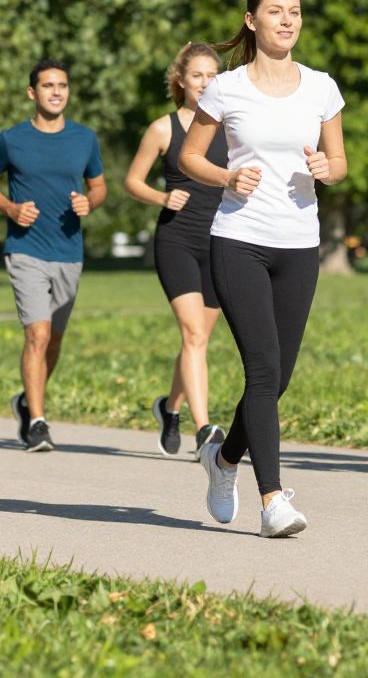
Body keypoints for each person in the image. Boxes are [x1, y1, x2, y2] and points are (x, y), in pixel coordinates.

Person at [180, 0, 347, 539]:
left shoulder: (322, 87)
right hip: (239, 239)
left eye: (295, 12)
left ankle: (223, 461)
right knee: (263, 367)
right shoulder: (226, 88)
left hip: (300, 244)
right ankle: (273, 499)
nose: (287, 20)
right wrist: (227, 175)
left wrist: (328, 169)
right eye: (275, 12)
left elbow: (340, 161)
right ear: (252, 21)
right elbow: (189, 157)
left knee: (277, 380)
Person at [0, 59, 107, 452]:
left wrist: (91, 203)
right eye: (48, 85)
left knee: (53, 339)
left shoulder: (84, 138)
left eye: (63, 85)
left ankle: (26, 400)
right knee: (36, 333)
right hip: (25, 249)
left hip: (69, 251)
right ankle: (38, 422)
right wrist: (10, 209)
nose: (57, 92)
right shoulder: (10, 139)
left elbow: (99, 186)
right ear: (32, 93)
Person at [123, 42, 229, 459]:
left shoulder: (232, 127)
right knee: (194, 333)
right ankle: (204, 429)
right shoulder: (163, 129)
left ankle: (170, 409)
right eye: (197, 76)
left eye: (212, 75)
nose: (205, 83)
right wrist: (161, 199)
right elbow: (133, 180)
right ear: (181, 81)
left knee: (197, 341)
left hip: (221, 240)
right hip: (177, 240)